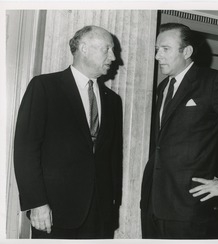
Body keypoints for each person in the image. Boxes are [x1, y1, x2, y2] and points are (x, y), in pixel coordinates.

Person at [140, 23, 218, 239]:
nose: (157, 56)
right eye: (157, 49)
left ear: (186, 52)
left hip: (187, 207)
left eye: (165, 49)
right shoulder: (162, 88)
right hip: (152, 204)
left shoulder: (213, 82)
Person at [14, 25, 123, 239]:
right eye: (107, 49)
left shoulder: (113, 100)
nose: (114, 56)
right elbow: (26, 149)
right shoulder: (44, 87)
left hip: (99, 215)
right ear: (83, 48)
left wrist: (113, 205)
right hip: (54, 213)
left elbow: (113, 157)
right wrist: (36, 203)